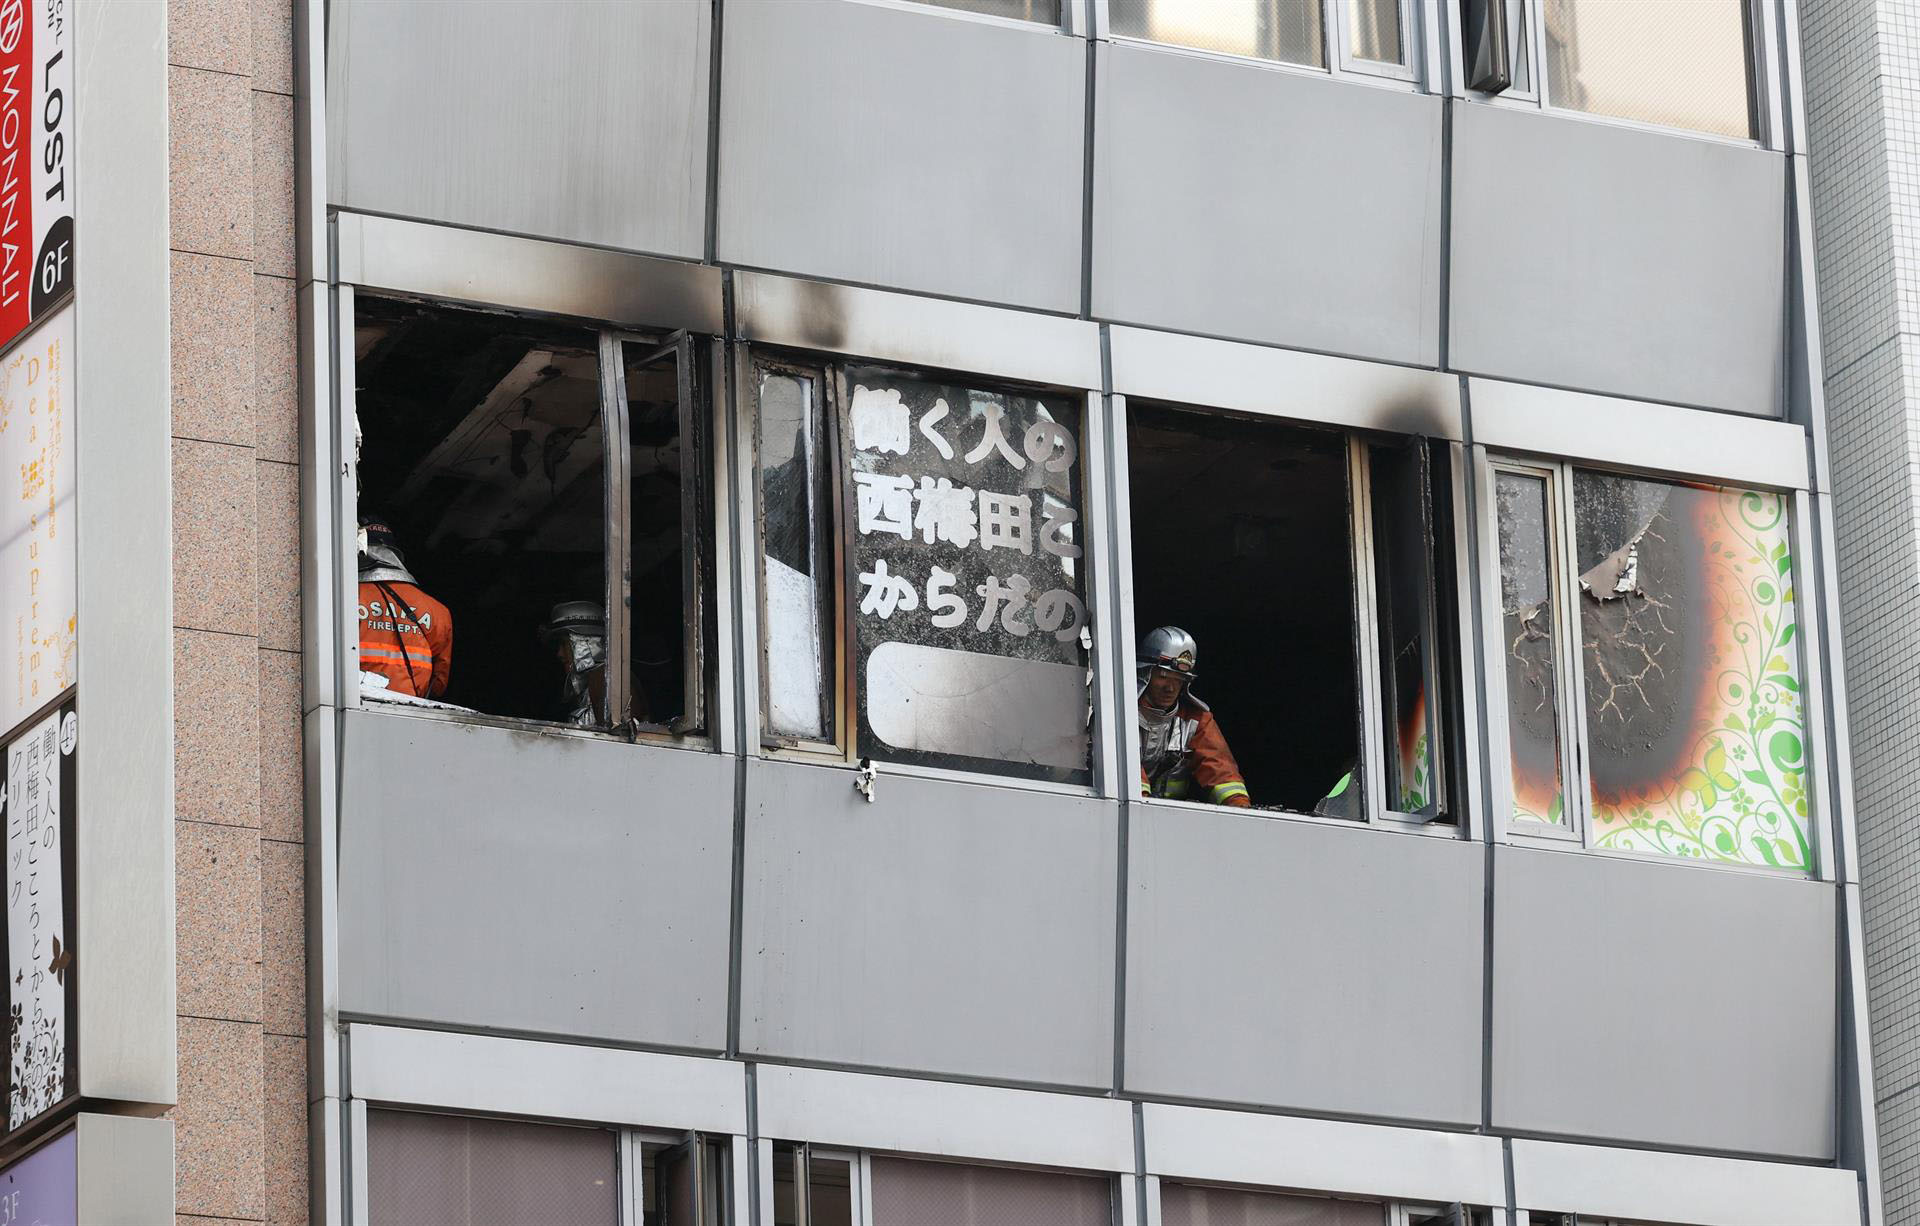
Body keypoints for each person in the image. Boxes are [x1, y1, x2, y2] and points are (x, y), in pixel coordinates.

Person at [1137, 625, 1250, 807]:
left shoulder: (1197, 720)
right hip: (1134, 814)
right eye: (1164, 676)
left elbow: (1221, 771)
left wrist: (1240, 808)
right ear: (1144, 672)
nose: (1171, 688)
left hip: (1175, 819)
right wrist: (1140, 806)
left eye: (1179, 679)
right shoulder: (1121, 712)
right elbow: (1124, 767)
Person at [357, 516, 453, 699]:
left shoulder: (343, 598)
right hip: (411, 713)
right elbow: (439, 682)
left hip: (355, 706)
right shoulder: (438, 611)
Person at [544, 600, 608, 727]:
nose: (560, 654)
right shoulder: (588, 689)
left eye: (565, 644)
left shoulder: (604, 683)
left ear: (584, 644)